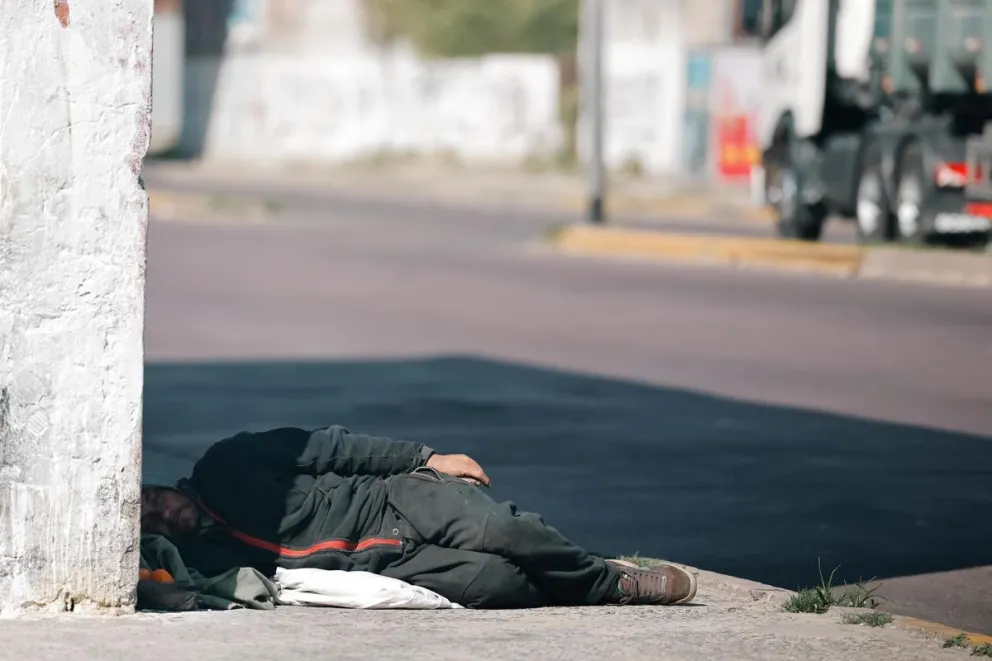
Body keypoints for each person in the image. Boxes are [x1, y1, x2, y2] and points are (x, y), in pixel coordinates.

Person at [141, 425, 697, 609]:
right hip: (389, 563)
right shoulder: (199, 555)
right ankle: (578, 576)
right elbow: (198, 590)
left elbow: (333, 447)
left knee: (500, 530)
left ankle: (615, 582)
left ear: (162, 484)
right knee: (496, 583)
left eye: (155, 501)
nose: (166, 516)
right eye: (155, 524)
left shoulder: (225, 463)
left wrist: (425, 459)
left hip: (395, 499)